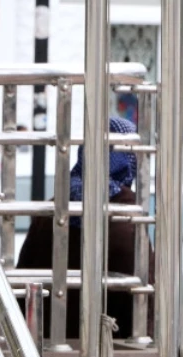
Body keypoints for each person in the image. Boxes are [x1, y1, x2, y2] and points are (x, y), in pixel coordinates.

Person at [17, 116, 154, 341]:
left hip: (47, 343)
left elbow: (25, 275)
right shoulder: (128, 211)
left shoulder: (56, 204)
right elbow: (146, 287)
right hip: (111, 345)